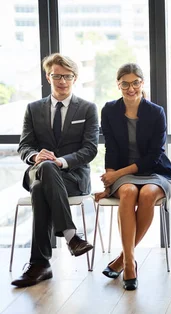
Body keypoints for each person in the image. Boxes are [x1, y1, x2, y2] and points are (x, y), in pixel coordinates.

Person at [13, 53, 98, 288]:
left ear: (75, 78)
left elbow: (90, 149)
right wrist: (34, 156)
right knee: (44, 170)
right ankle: (71, 236)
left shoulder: (88, 109)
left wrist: (61, 161)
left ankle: (40, 264)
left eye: (67, 76)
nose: (62, 81)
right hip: (39, 170)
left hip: (72, 177)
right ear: (48, 76)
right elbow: (24, 147)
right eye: (56, 76)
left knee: (41, 188)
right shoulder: (33, 108)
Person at [95, 63, 171, 291]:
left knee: (148, 194)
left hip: (154, 171)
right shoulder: (109, 110)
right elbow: (110, 148)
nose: (131, 88)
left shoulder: (156, 112)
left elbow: (153, 156)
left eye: (135, 83)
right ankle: (130, 263)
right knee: (129, 192)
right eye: (125, 84)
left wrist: (118, 174)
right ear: (118, 85)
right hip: (123, 174)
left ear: (142, 83)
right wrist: (110, 180)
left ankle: (123, 259)